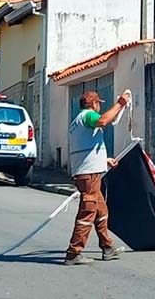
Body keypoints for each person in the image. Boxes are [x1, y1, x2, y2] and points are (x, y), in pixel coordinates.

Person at [64, 90, 131, 266]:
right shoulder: (88, 116)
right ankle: (74, 252)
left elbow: (87, 145)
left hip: (87, 171)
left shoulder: (76, 122)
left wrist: (104, 160)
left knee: (101, 211)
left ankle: (107, 247)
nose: (99, 107)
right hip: (89, 173)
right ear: (93, 104)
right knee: (88, 210)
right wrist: (120, 104)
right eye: (98, 104)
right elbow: (102, 121)